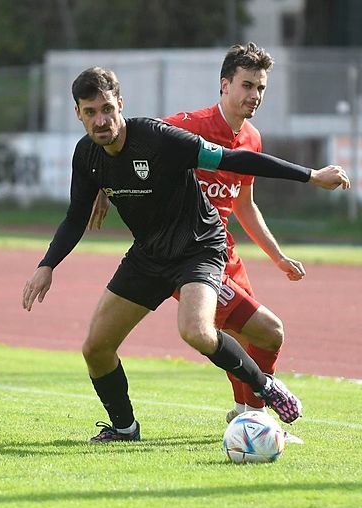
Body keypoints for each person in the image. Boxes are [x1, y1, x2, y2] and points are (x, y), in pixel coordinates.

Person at [22, 67, 349, 442]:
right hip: (149, 255)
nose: (101, 120)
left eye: (107, 109)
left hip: (199, 249)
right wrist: (47, 265)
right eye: (91, 112)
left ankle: (265, 387)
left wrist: (311, 175)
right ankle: (125, 428)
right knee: (96, 348)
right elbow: (75, 216)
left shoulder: (158, 138)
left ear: (120, 105)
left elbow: (233, 160)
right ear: (78, 114)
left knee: (195, 331)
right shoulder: (87, 155)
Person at [89, 43, 298, 423]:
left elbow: (243, 205)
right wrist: (102, 185)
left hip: (223, 254)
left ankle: (246, 415)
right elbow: (130, 140)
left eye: (261, 88)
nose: (254, 96)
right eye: (247, 85)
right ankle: (253, 415)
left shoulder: (251, 139)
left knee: (262, 336)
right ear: (225, 85)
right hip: (187, 252)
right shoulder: (190, 125)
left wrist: (277, 255)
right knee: (266, 331)